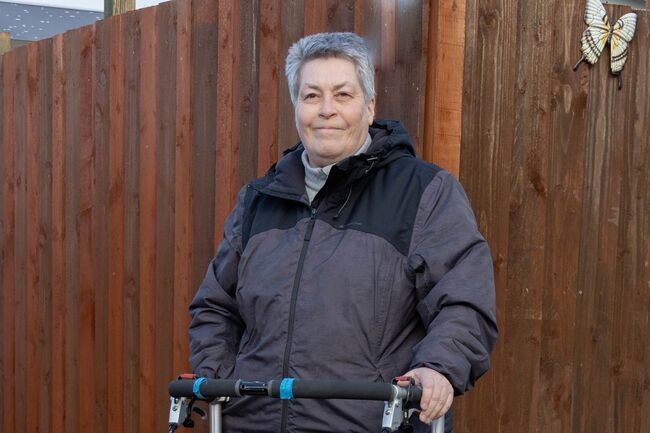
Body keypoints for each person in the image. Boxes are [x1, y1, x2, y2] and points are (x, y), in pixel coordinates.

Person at [188, 32, 497, 433]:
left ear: (369, 107)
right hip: (253, 423)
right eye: (312, 95)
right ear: (297, 107)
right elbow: (215, 307)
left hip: (370, 424)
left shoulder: (425, 193)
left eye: (343, 95)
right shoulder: (258, 201)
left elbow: (464, 303)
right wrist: (217, 378)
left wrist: (437, 367)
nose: (326, 110)